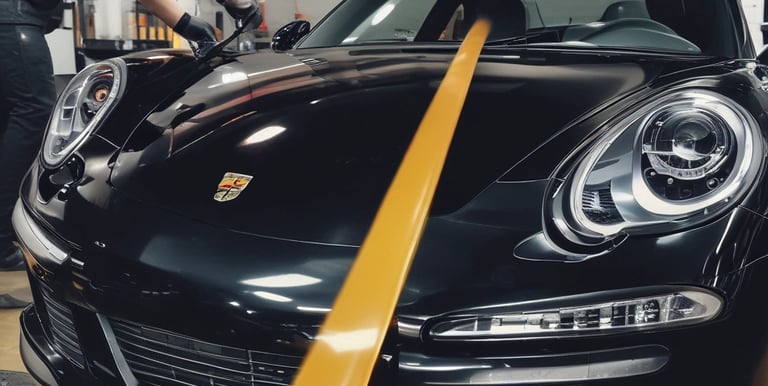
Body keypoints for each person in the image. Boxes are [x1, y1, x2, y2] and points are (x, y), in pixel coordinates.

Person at [0, 0, 62, 275]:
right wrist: (184, 24)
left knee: (7, 121)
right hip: (14, 22)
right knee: (34, 111)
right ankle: (1, 239)